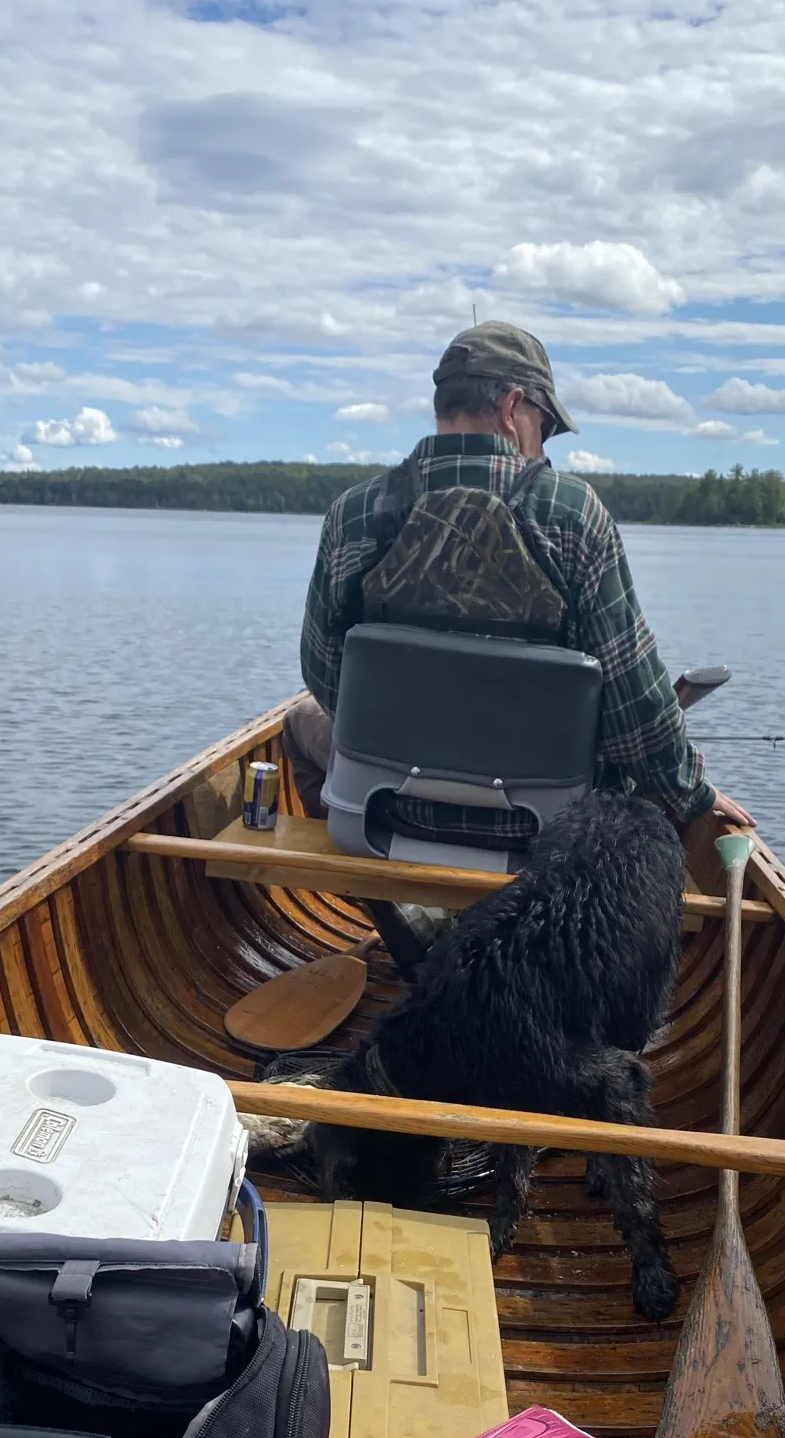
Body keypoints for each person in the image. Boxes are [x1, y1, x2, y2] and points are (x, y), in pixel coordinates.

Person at [284, 320, 754, 961]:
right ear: (513, 407)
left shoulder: (357, 512)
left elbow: (323, 671)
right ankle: (527, 946)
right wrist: (691, 794)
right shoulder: (573, 513)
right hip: (539, 835)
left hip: (380, 818)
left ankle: (409, 925)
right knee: (633, 786)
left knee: (300, 720)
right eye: (546, 425)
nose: (546, 444)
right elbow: (639, 718)